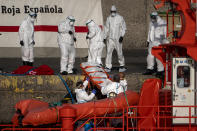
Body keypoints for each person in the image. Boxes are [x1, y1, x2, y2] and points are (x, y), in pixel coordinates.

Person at [143, 12, 169, 76]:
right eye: (151, 17)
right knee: (150, 56)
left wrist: (164, 42)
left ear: (156, 17)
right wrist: (148, 40)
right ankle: (150, 69)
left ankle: (160, 70)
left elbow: (165, 33)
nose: (152, 19)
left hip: (159, 42)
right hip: (152, 42)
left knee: (158, 56)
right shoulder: (151, 22)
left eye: (153, 17)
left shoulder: (163, 23)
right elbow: (149, 32)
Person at [104, 5, 127, 72]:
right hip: (110, 39)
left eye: (113, 11)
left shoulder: (120, 18)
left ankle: (122, 65)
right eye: (111, 11)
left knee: (119, 52)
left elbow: (124, 28)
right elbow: (106, 28)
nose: (112, 12)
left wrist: (122, 36)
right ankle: (108, 66)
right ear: (110, 11)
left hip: (118, 39)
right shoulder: (108, 18)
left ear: (116, 11)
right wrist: (104, 37)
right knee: (108, 52)